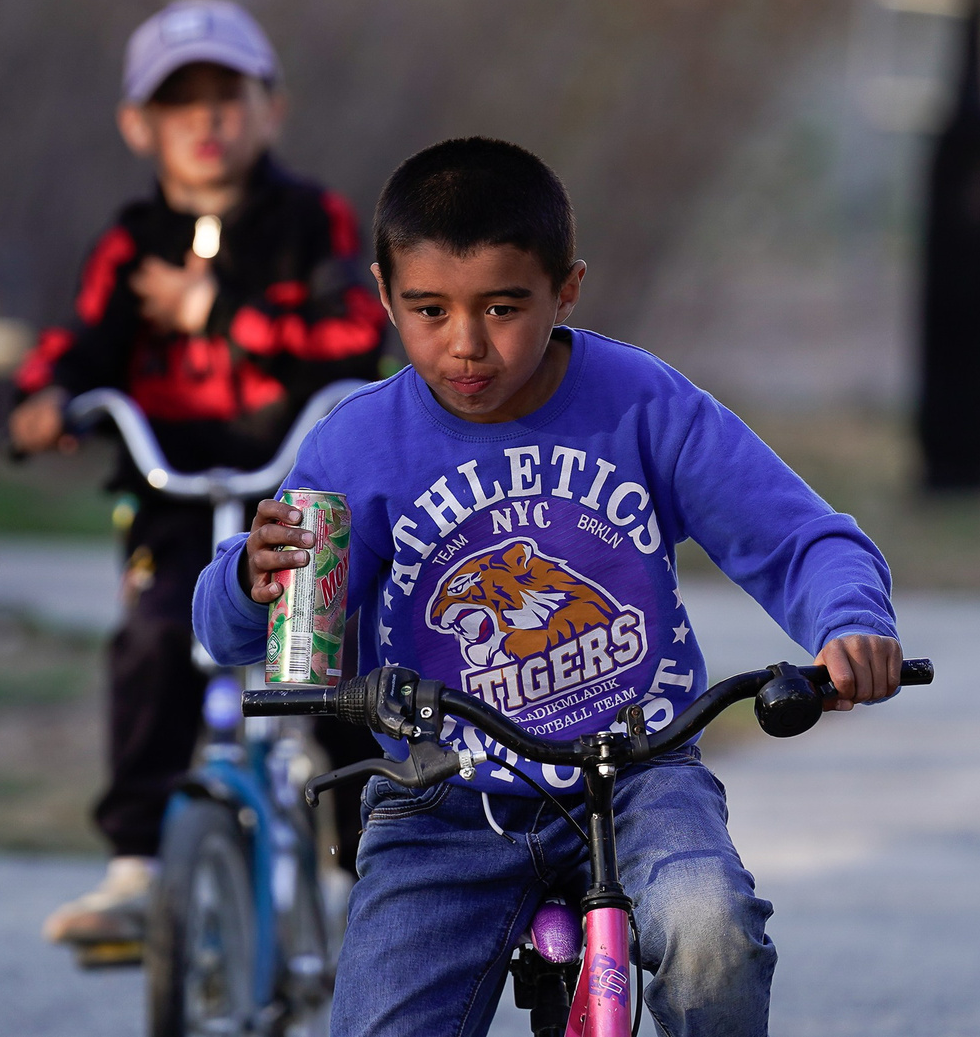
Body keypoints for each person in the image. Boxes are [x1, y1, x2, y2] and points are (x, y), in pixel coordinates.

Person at [190, 137, 905, 1036]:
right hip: (441, 798)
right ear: (383, 295)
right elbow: (231, 634)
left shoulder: (640, 404)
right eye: (429, 309)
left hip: (638, 773)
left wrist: (849, 620)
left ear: (565, 288)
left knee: (710, 930)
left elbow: (799, 533)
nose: (466, 345)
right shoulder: (356, 448)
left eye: (503, 306)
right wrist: (251, 585)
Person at [14, 0, 387, 949]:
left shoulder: (311, 221)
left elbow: (353, 336)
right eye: (180, 106)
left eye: (228, 98)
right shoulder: (131, 235)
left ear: (272, 109)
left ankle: (370, 867)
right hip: (175, 492)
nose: (206, 123)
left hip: (294, 487)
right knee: (151, 640)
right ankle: (137, 866)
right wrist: (47, 393)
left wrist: (218, 309)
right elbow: (84, 338)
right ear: (139, 125)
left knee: (330, 657)